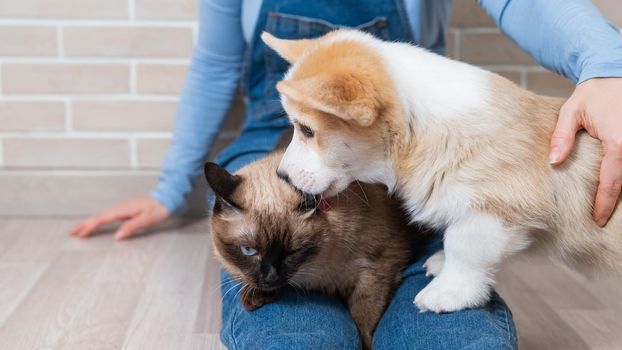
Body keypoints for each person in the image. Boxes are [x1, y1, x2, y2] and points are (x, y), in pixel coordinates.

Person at [71, 0, 622, 348]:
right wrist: (170, 190)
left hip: (396, 152)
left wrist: (607, 67)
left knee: (455, 338)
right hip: (277, 133)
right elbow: (216, 64)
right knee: (296, 339)